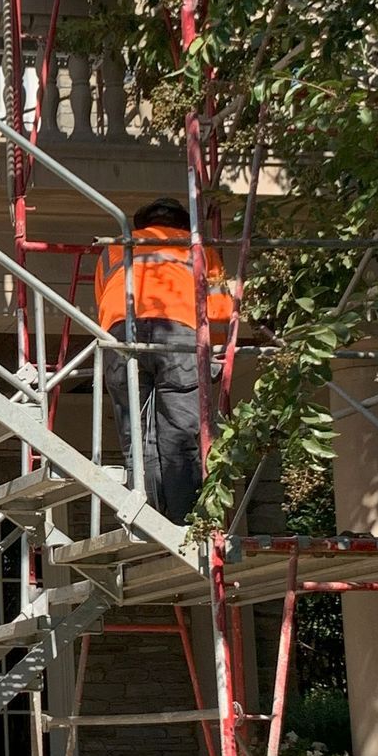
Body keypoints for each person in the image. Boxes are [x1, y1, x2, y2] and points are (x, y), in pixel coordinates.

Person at [94, 199, 233, 523]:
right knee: (179, 439)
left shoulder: (115, 247)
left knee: (137, 440)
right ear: (184, 224)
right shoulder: (199, 250)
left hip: (121, 336)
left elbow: (104, 300)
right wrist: (212, 357)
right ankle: (184, 524)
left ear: (142, 223)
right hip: (178, 337)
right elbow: (220, 310)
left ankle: (147, 521)